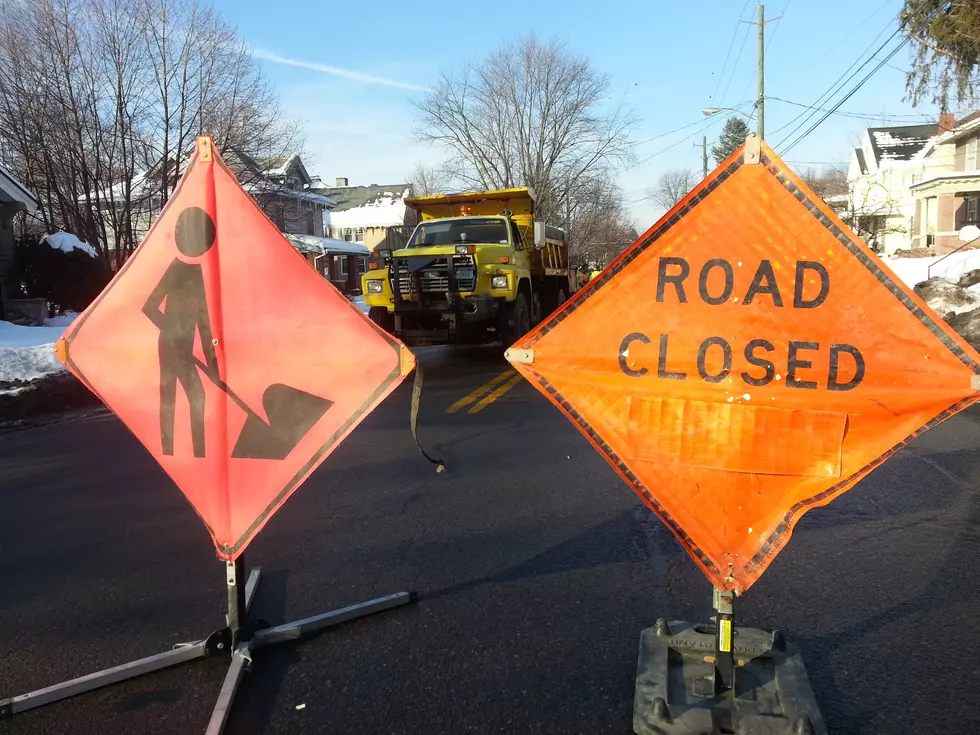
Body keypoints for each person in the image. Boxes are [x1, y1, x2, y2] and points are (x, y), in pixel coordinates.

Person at [142, 206, 219, 458]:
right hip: (169, 345)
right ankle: (169, 451)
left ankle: (199, 452)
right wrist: (171, 331)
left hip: (185, 346)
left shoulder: (197, 274)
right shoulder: (176, 269)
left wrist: (213, 367)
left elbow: (204, 324)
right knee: (172, 397)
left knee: (196, 398)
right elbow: (150, 306)